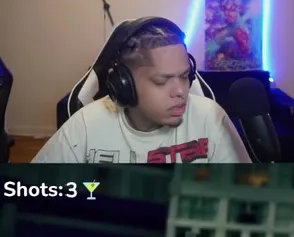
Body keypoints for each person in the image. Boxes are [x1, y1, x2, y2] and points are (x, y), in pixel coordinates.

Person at [33, 19, 249, 164]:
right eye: (161, 81)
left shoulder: (210, 117)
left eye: (185, 76)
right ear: (123, 84)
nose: (180, 91)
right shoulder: (85, 126)